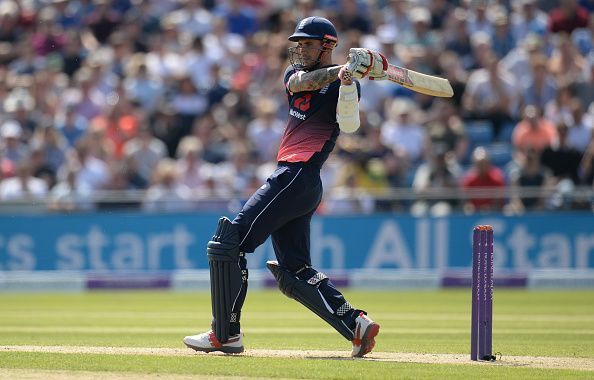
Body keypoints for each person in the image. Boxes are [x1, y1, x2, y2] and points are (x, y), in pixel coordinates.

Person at [183, 16, 384, 358]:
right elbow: (303, 84)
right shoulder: (295, 76)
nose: (300, 49)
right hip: (299, 182)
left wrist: (349, 81)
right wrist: (340, 71)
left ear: (327, 46)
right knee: (294, 270)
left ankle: (225, 334)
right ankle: (356, 324)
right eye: (299, 43)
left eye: (308, 43)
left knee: (227, 244)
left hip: (297, 175)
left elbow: (349, 125)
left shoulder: (343, 85)